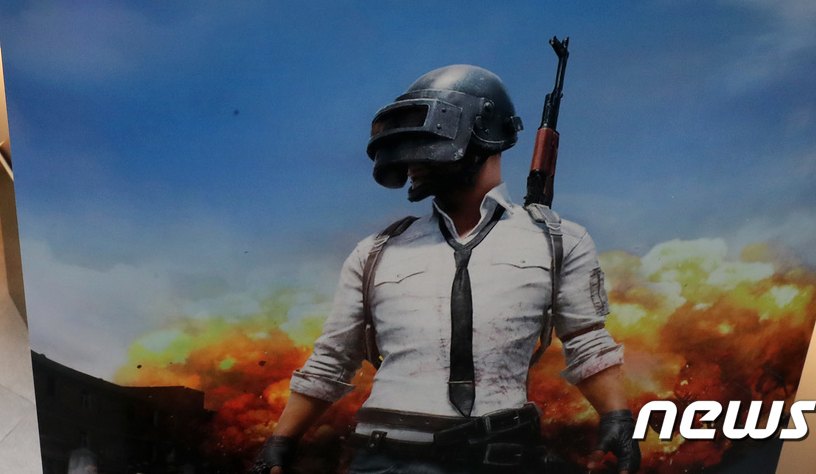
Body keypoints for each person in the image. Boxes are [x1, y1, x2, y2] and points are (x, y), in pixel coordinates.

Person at [252, 65, 639, 474]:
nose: (410, 162)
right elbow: (333, 358)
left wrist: (616, 418)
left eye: (425, 143)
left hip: (500, 458)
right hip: (383, 461)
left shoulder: (558, 241)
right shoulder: (377, 251)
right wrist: (281, 441)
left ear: (484, 133)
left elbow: (586, 340)